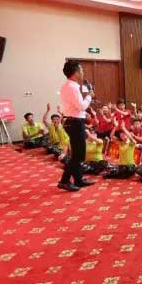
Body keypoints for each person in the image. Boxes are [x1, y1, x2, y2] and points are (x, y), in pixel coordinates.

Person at [58, 61, 95, 191]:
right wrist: (89, 97)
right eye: (81, 69)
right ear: (75, 72)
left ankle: (78, 179)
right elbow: (81, 106)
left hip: (72, 121)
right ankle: (64, 181)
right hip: (75, 123)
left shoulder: (67, 86)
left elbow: (76, 107)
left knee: (77, 153)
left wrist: (84, 114)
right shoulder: (72, 87)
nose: (83, 72)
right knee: (78, 155)